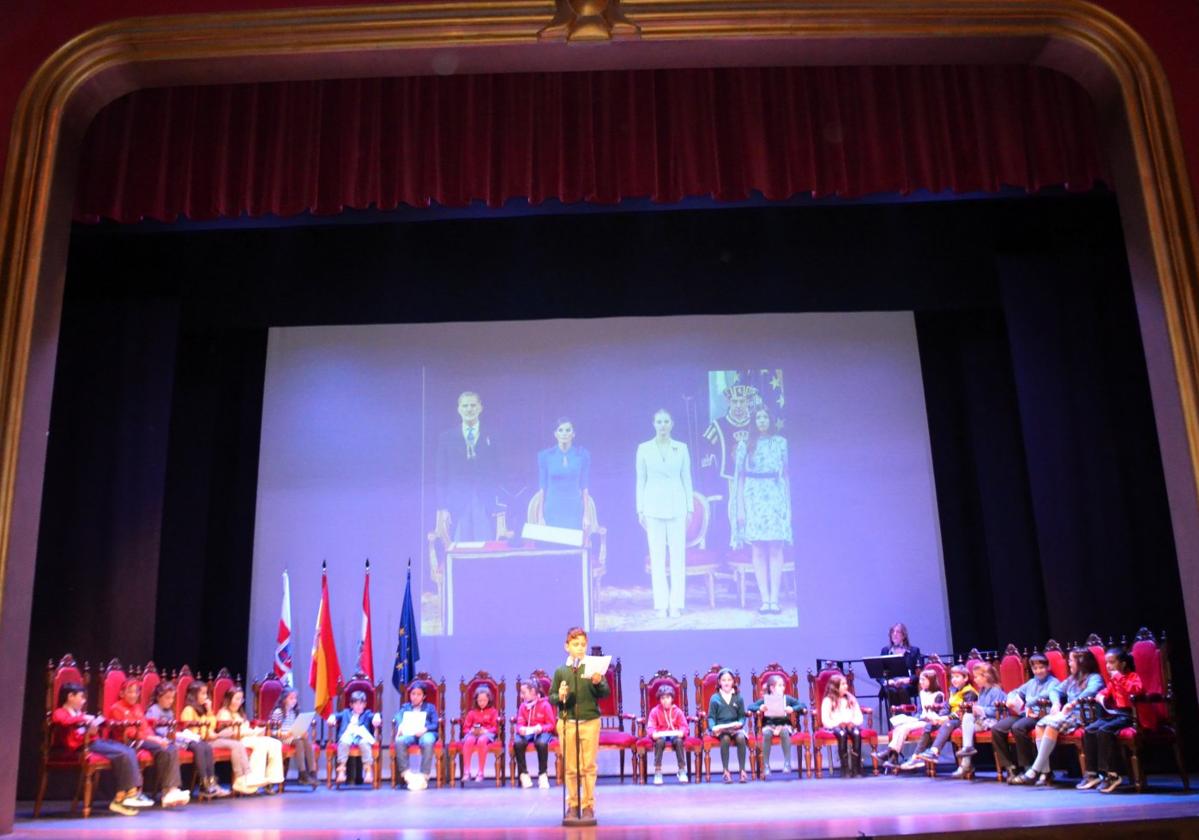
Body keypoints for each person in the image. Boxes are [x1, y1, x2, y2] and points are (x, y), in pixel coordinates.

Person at [51, 682, 152, 816]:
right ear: (70, 696)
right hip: (81, 747)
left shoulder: (78, 713)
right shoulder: (61, 712)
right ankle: (129, 795)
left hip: (93, 741)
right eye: (81, 697)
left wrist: (94, 724)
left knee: (128, 750)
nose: (84, 700)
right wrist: (84, 719)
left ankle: (124, 797)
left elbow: (87, 728)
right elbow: (63, 721)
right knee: (122, 752)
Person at [731, 406, 792, 614]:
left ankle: (775, 599)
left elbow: (786, 476)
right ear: (754, 420)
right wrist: (740, 508)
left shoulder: (781, 443)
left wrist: (788, 506)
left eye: (766, 416)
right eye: (758, 417)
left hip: (775, 498)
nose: (762, 420)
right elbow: (739, 478)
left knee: (775, 547)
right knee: (757, 548)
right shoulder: (745, 445)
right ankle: (764, 599)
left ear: (771, 419)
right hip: (753, 498)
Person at [636, 409, 695, 618]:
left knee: (678, 556)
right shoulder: (643, 448)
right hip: (652, 507)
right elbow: (640, 480)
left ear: (672, 424)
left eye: (666, 421)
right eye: (659, 421)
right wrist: (640, 509)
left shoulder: (681, 448)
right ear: (653, 424)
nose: (662, 425)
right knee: (657, 556)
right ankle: (661, 604)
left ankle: (676, 603)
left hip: (677, 506)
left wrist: (690, 508)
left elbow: (686, 478)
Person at [1017, 648, 1104, 786]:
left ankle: (1035, 769)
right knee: (1040, 724)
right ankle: (1044, 772)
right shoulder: (1072, 679)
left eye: (1071, 660)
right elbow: (1055, 691)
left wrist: (1073, 702)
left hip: (1084, 715)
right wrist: (1056, 703)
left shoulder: (1094, 678)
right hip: (1068, 715)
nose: (1068, 663)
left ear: (1081, 662)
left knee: (1052, 724)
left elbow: (1091, 691)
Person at [551, 626, 609, 820]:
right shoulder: (561, 671)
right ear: (566, 646)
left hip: (590, 721)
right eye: (576, 644)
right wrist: (560, 696)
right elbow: (551, 697)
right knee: (571, 767)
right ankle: (573, 804)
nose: (580, 648)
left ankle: (588, 806)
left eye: (583, 644)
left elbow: (605, 693)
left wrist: (598, 682)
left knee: (588, 766)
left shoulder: (592, 668)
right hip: (568, 722)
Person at [107, 678, 189, 807]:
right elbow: (130, 732)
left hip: (144, 739)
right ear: (122, 693)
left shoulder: (138, 707)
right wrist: (152, 739)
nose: (134, 695)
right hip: (127, 742)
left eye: (136, 692)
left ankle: (171, 790)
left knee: (169, 747)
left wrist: (156, 738)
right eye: (130, 692)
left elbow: (145, 727)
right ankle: (168, 790)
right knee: (161, 747)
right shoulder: (116, 708)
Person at [146, 681, 229, 799]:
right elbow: (151, 727)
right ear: (159, 697)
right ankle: (203, 784)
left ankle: (212, 782)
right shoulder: (153, 710)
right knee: (198, 746)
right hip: (165, 740)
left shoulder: (169, 711)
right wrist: (171, 733)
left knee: (206, 746)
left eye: (172, 698)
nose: (170, 701)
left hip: (176, 737)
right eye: (167, 698)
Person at [435, 391, 500, 542]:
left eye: (473, 405)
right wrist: (442, 507)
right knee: (460, 548)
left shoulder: (492, 435)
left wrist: (499, 502)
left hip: (485, 501)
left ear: (480, 408)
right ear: (459, 409)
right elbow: (441, 474)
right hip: (457, 501)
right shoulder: (446, 438)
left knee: (486, 547)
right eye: (465, 406)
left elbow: (500, 470)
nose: (469, 409)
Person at [701, 382, 759, 551]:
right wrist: (710, 485)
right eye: (735, 402)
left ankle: (751, 553)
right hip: (726, 481)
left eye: (742, 401)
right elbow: (705, 455)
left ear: (748, 402)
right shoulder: (717, 425)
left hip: (754, 481)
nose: (739, 405)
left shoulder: (757, 425)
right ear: (729, 403)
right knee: (727, 516)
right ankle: (730, 554)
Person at [1077, 647, 1143, 793]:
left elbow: (1135, 690)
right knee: (1089, 729)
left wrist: (1119, 677)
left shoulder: (1132, 676)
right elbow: (1105, 691)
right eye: (1107, 663)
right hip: (1115, 713)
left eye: (1112, 663)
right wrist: (1100, 695)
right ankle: (1093, 773)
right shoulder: (1113, 680)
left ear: (1123, 664)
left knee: (1104, 730)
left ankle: (1111, 774)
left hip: (1129, 715)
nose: (1108, 666)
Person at [180, 682, 259, 795]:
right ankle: (241, 777)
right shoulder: (188, 710)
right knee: (236, 744)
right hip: (202, 741)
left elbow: (212, 725)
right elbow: (191, 731)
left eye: (206, 693)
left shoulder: (203, 710)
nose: (206, 696)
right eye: (203, 694)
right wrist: (208, 733)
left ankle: (246, 775)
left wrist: (209, 711)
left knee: (236, 740)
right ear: (194, 695)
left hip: (211, 738)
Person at [992, 653, 1060, 782]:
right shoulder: (1031, 682)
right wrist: (1011, 699)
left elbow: (1048, 694)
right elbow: (1015, 691)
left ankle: (1028, 766)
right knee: (997, 728)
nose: (1038, 671)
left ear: (1047, 667)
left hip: (1041, 714)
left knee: (1018, 727)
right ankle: (1011, 767)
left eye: (1041, 667)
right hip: (1026, 714)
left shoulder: (1053, 682)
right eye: (1035, 668)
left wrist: (1029, 703)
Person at [216, 685, 285, 792]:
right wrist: (252, 732)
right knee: (260, 745)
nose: (239, 702)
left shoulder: (240, 713)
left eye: (241, 699)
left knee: (275, 743)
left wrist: (257, 731)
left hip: (248, 737)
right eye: (237, 699)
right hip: (236, 740)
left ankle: (274, 776)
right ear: (229, 699)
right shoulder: (224, 713)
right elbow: (230, 732)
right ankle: (254, 777)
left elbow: (246, 726)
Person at [874, 667, 943, 770]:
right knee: (898, 726)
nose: (921, 682)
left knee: (904, 728)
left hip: (931, 721)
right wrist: (915, 717)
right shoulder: (923, 693)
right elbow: (920, 710)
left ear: (931, 681)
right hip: (921, 718)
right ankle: (893, 757)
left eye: (924, 680)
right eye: (920, 680)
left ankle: (888, 753)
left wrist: (923, 716)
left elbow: (937, 713)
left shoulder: (938, 695)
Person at [913, 665, 978, 768]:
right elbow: (947, 708)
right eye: (952, 677)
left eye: (957, 677)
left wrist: (946, 718)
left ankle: (934, 751)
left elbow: (964, 712)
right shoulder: (953, 690)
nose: (954, 680)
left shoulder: (969, 692)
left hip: (962, 719)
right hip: (951, 717)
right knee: (929, 726)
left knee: (948, 723)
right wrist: (938, 718)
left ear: (965, 678)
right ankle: (915, 757)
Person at [952, 662, 1007, 780]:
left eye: (976, 676)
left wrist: (980, 709)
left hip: (994, 721)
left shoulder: (996, 691)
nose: (975, 679)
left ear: (985, 677)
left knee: (968, 727)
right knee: (967, 717)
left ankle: (966, 764)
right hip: (983, 720)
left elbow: (996, 711)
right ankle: (968, 751)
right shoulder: (982, 691)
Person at [537, 417, 592, 530]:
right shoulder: (545, 456)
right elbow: (542, 488)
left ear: (573, 434)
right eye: (560, 430)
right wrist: (540, 516)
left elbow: (585, 488)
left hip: (574, 511)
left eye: (568, 430)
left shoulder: (582, 455)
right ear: (555, 434)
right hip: (552, 510)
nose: (564, 433)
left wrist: (586, 515)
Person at [746, 674, 804, 776]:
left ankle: (787, 763)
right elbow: (751, 706)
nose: (783, 688)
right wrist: (760, 708)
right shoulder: (766, 699)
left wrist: (793, 709)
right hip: (769, 724)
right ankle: (766, 765)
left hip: (784, 724)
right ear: (772, 688)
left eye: (783, 686)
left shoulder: (787, 698)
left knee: (785, 732)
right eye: (780, 685)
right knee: (766, 734)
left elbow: (802, 705)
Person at [326, 690, 382, 785]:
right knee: (343, 743)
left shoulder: (367, 714)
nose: (359, 706)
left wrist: (377, 716)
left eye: (361, 704)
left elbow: (375, 715)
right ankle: (341, 771)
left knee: (364, 743)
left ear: (365, 705)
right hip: (348, 736)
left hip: (361, 736)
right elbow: (335, 715)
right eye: (356, 704)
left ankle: (368, 772)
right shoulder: (346, 713)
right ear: (351, 705)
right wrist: (332, 718)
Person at [706, 668, 749, 784]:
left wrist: (740, 723)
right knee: (725, 738)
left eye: (729, 680)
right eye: (723, 680)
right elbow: (710, 717)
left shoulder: (738, 697)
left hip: (734, 728)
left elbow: (741, 716)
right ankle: (726, 771)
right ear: (719, 682)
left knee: (740, 738)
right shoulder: (715, 698)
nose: (726, 682)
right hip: (721, 729)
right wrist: (713, 727)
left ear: (733, 682)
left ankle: (742, 771)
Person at [394, 682, 440, 789]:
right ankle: (407, 775)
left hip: (426, 733)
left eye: (418, 694)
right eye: (413, 694)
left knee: (428, 741)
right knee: (400, 740)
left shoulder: (430, 707)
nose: (415, 697)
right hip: (410, 734)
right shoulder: (405, 707)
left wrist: (425, 729)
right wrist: (401, 724)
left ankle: (424, 776)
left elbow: (435, 723)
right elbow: (397, 716)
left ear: (423, 696)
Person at [270, 687, 318, 786]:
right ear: (284, 699)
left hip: (292, 736)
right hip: (282, 738)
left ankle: (312, 772)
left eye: (295, 698)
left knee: (306, 741)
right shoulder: (278, 712)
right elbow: (272, 731)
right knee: (298, 742)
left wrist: (302, 732)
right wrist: (282, 733)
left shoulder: (294, 712)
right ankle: (302, 773)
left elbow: (295, 727)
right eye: (291, 698)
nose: (294, 701)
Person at [512, 680, 555, 789]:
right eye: (521, 693)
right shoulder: (523, 706)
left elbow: (551, 724)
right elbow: (519, 723)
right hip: (528, 732)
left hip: (542, 731)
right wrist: (520, 729)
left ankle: (542, 775)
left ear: (533, 691)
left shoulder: (545, 705)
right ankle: (524, 774)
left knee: (540, 743)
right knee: (518, 743)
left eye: (523, 692)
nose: (522, 696)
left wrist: (541, 728)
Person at [821, 673, 865, 778]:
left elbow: (859, 716)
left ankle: (856, 768)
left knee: (856, 733)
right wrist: (838, 723)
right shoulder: (828, 700)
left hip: (850, 725)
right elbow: (825, 720)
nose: (846, 686)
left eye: (846, 684)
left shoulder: (851, 699)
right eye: (843, 684)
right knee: (842, 734)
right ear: (835, 687)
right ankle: (845, 768)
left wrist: (853, 722)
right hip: (835, 726)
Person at [647, 683, 689, 785]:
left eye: (668, 697)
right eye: (663, 698)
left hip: (674, 735)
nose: (665, 700)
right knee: (659, 742)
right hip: (661, 736)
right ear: (660, 699)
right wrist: (653, 734)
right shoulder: (655, 711)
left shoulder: (677, 711)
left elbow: (684, 726)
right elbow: (651, 727)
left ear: (672, 698)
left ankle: (682, 770)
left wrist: (681, 732)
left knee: (678, 741)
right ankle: (657, 771)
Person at [878, 623, 922, 718]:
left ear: (904, 635)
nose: (894, 634)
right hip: (891, 684)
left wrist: (907, 680)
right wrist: (886, 681)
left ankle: (907, 719)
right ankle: (896, 721)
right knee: (891, 691)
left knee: (902, 689)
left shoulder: (914, 651)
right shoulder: (885, 651)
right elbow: (879, 673)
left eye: (898, 632)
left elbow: (920, 672)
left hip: (908, 684)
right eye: (892, 632)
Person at [461, 685, 499, 783]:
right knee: (469, 740)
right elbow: (465, 728)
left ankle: (480, 772)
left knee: (482, 740)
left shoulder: (493, 712)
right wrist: (472, 731)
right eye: (480, 700)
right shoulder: (472, 713)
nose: (482, 703)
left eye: (484, 700)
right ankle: (467, 772)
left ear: (489, 700)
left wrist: (485, 731)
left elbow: (495, 727)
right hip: (473, 734)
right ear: (476, 700)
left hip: (487, 734)